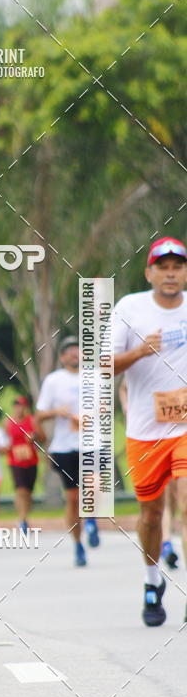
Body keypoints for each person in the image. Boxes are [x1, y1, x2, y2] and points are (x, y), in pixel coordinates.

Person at [113, 237, 187, 626]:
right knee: (151, 514)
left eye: (178, 266)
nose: (171, 272)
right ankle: (152, 580)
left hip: (185, 426)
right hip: (146, 430)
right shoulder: (130, 309)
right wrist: (139, 351)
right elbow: (102, 365)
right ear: (150, 272)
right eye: (164, 266)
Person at [35, 336, 101, 567]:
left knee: (93, 485)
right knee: (73, 498)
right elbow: (40, 414)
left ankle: (91, 520)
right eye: (70, 351)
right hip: (64, 446)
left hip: (91, 442)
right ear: (62, 357)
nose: (75, 354)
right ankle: (78, 545)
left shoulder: (94, 377)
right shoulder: (54, 381)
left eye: (78, 350)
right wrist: (58, 412)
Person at [119, 376, 179, 571]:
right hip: (153, 438)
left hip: (180, 434)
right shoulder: (148, 368)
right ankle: (167, 541)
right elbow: (124, 386)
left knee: (178, 497)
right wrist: (127, 405)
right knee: (162, 498)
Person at [6, 396, 39, 534]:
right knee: (21, 490)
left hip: (31, 459)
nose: (18, 408)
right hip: (15, 460)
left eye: (21, 405)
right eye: (16, 405)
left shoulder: (32, 420)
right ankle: (22, 519)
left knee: (29, 492)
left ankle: (25, 517)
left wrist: (34, 437)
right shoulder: (8, 422)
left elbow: (42, 436)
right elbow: (5, 440)